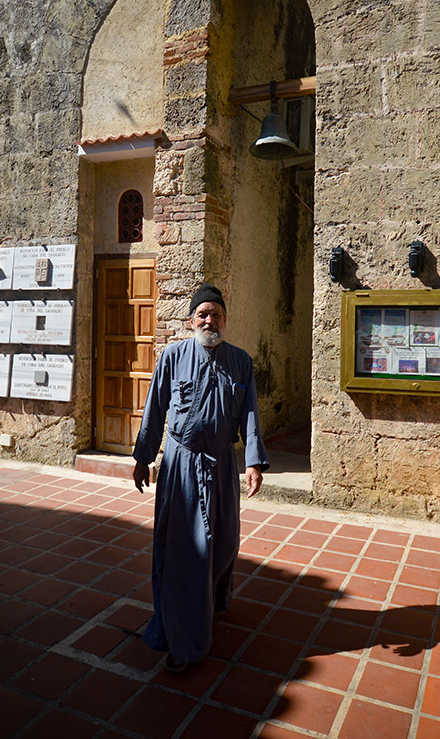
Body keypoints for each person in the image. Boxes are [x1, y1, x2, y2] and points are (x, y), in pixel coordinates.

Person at [132, 283, 268, 672]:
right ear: (191, 320)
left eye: (217, 315)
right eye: (203, 314)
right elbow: (155, 409)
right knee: (186, 554)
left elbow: (251, 416)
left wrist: (253, 462)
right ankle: (184, 640)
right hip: (181, 468)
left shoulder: (240, 362)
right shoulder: (172, 357)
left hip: (222, 466)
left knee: (222, 545)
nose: (210, 320)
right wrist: (143, 458)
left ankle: (212, 601)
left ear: (225, 320)